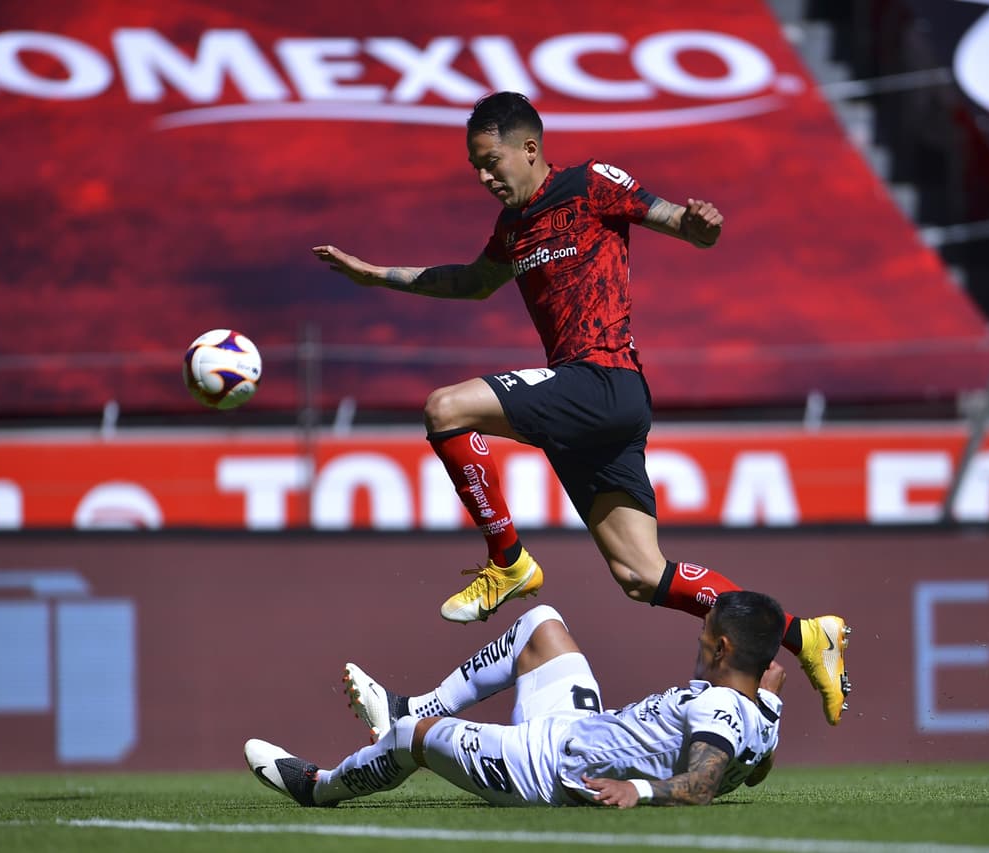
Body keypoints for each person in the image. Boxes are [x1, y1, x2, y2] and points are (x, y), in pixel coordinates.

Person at [312, 91, 851, 725]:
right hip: (592, 405)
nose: (484, 177)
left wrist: (701, 226)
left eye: (491, 161)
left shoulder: (590, 184)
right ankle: (805, 634)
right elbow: (471, 282)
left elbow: (678, 221)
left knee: (445, 408)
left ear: (530, 148)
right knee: (642, 574)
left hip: (604, 380)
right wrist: (379, 276)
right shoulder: (514, 228)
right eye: (475, 167)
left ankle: (508, 562)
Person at [245, 592, 787, 809]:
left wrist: (635, 790)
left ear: (723, 648)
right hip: (577, 726)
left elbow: (702, 785)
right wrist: (765, 713)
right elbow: (749, 761)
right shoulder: (762, 704)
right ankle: (411, 706)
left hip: (547, 768)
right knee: (542, 624)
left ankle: (318, 788)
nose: (695, 643)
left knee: (413, 742)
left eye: (704, 636)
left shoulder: (723, 708)